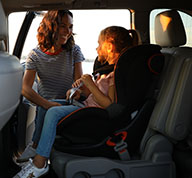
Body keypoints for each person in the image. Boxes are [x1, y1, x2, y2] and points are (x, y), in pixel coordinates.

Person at [13, 26, 139, 178]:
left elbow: (109, 105)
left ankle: (39, 164)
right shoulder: (106, 70)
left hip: (93, 115)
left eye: (99, 44)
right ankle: (36, 147)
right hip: (86, 107)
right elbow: (93, 95)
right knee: (48, 104)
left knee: (53, 112)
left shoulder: (114, 74)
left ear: (110, 46)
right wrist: (79, 93)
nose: (97, 48)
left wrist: (90, 84)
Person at [17, 10, 85, 163]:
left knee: (46, 108)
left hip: (68, 103)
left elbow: (79, 82)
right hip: (46, 105)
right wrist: (47, 104)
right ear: (50, 27)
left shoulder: (74, 51)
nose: (68, 31)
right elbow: (25, 88)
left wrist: (75, 91)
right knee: (43, 107)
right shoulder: (35, 55)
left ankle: (35, 146)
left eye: (70, 27)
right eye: (63, 26)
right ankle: (36, 150)